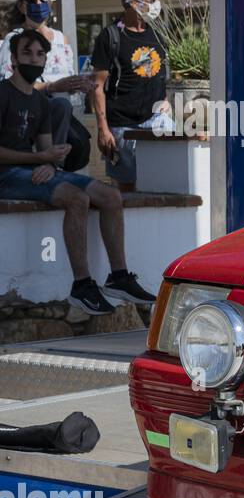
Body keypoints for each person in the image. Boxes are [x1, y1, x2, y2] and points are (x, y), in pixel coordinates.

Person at [0, 30, 155, 314]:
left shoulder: (39, 102)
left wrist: (48, 162)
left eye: (39, 54)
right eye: (27, 53)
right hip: (6, 177)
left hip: (32, 171)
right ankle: (82, 285)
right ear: (13, 59)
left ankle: (119, 277)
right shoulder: (2, 93)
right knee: (77, 199)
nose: (34, 59)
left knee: (110, 196)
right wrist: (39, 158)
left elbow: (47, 148)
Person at [89, 0, 175, 191]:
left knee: (165, 182)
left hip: (155, 120)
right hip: (121, 126)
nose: (157, 4)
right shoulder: (110, 36)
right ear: (134, 3)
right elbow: (97, 86)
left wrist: (166, 101)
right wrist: (103, 129)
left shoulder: (159, 33)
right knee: (126, 190)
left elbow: (163, 74)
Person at [0, 0, 99, 152]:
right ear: (22, 6)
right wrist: (51, 87)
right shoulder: (14, 39)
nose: (39, 3)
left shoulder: (62, 39)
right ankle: (49, 162)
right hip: (30, 123)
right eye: (32, 0)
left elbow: (68, 82)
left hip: (66, 120)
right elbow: (10, 86)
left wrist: (80, 84)